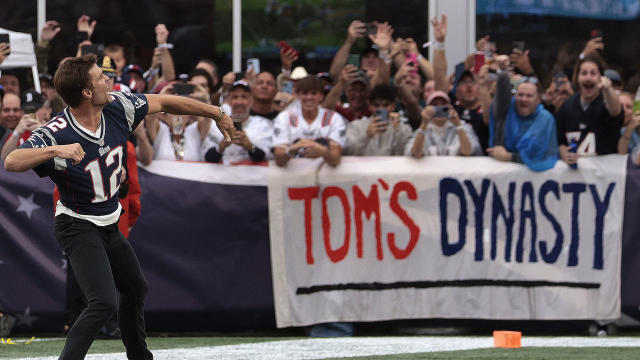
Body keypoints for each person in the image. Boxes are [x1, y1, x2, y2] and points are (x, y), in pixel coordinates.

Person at [3, 55, 234, 360]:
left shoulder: (117, 107)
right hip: (77, 224)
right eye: (101, 77)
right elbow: (12, 161)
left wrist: (215, 112)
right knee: (102, 303)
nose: (108, 81)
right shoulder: (58, 130)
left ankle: (139, 356)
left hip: (108, 222)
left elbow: (165, 101)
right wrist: (55, 149)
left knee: (136, 288)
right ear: (86, 92)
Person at [556, 55, 623, 166]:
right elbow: (560, 140)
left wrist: (608, 88)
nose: (588, 78)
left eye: (593, 73)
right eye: (584, 73)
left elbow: (615, 111)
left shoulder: (607, 100)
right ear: (577, 78)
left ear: (600, 77)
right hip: (574, 175)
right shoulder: (567, 106)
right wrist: (564, 153)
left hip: (605, 175)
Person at [488, 74, 558, 171]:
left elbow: (537, 155)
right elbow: (501, 95)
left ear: (538, 100)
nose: (523, 99)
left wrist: (509, 157)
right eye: (520, 95)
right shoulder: (508, 110)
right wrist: (503, 72)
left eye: (529, 96)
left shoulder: (545, 119)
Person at [273, 75, 346, 167]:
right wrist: (292, 150)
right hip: (293, 177)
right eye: (305, 93)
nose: (309, 97)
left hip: (323, 178)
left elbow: (335, 160)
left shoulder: (334, 118)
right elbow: (279, 160)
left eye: (314, 93)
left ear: (321, 96)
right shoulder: (285, 117)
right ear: (298, 95)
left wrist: (323, 152)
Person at [203, 80, 273, 164]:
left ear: (251, 100)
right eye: (235, 97)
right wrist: (222, 146)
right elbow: (206, 157)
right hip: (222, 176)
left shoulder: (263, 125)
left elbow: (268, 157)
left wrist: (250, 147)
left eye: (244, 97)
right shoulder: (216, 125)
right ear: (229, 100)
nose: (239, 102)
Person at [406, 90, 481, 158]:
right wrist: (424, 124)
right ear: (427, 108)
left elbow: (467, 152)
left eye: (443, 104)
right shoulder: (422, 130)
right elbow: (416, 153)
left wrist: (458, 125)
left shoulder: (464, 127)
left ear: (450, 107)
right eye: (435, 105)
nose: (439, 107)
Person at [344, 84, 412, 156]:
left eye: (385, 105)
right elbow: (348, 152)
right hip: (364, 167)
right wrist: (366, 135)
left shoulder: (404, 129)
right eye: (376, 105)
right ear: (369, 106)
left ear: (393, 106)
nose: (381, 109)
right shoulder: (356, 126)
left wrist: (397, 130)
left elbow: (404, 155)